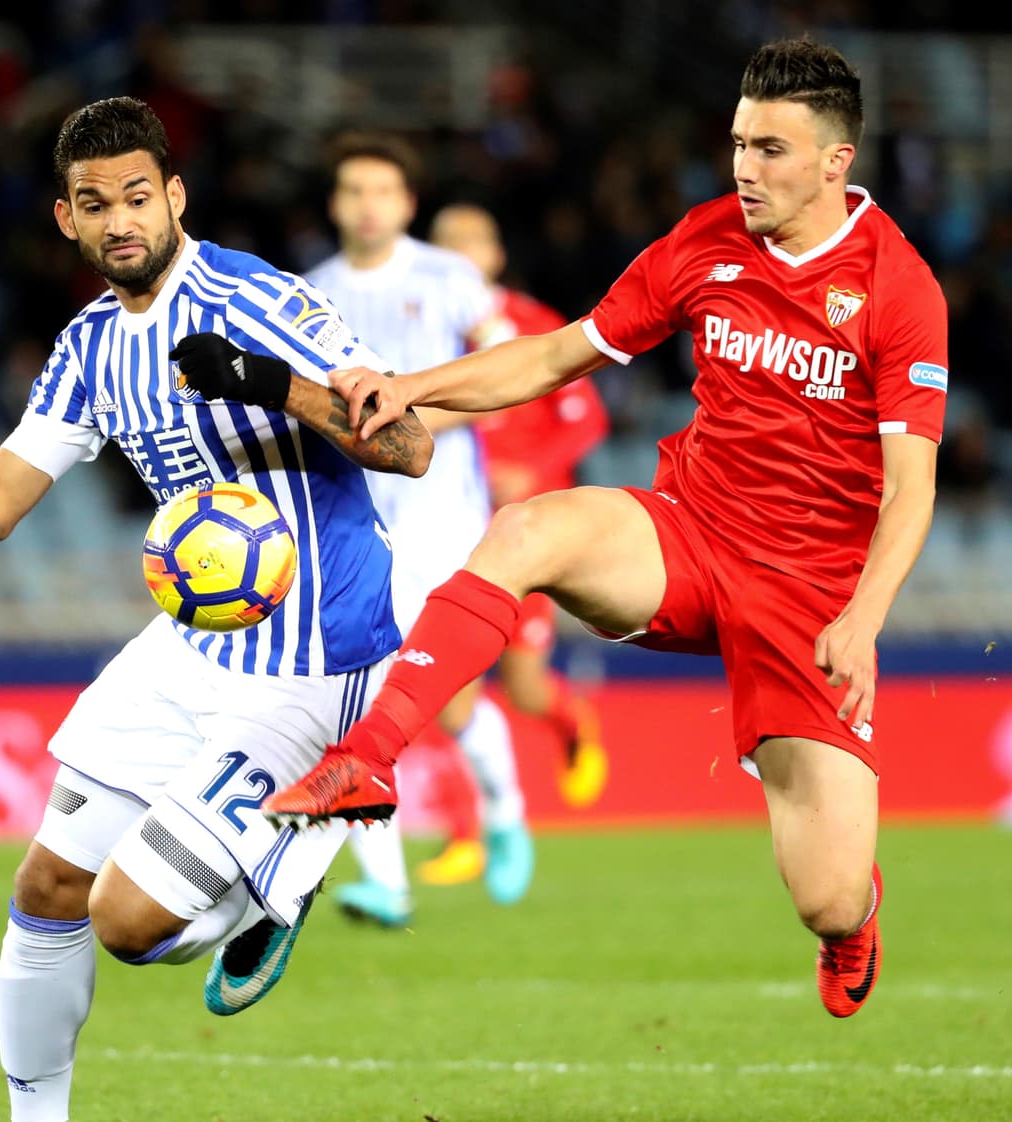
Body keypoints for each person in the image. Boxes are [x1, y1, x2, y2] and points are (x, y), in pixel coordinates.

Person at [0, 96, 433, 1122]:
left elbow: (410, 445)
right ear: (64, 217)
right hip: (194, 638)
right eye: (95, 205)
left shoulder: (259, 298)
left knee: (132, 924)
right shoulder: (93, 345)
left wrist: (269, 383)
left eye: (138, 196)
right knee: (49, 881)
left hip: (311, 650)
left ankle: (289, 863)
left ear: (175, 196)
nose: (121, 220)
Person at [264, 37, 949, 1022]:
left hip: (811, 596)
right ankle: (365, 756)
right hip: (689, 531)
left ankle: (853, 921)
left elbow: (909, 488)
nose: (742, 169)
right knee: (524, 529)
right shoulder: (705, 239)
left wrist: (863, 616)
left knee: (823, 894)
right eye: (737, 144)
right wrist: (407, 385)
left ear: (835, 162)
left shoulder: (896, 288)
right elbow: (555, 356)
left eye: (769, 150)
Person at [304, 131, 534, 920]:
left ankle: (504, 814)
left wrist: (417, 415)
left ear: (405, 203)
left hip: (443, 516)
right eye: (353, 189)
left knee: (451, 693)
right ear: (336, 203)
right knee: (358, 690)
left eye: (382, 190)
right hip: (353, 523)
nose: (368, 204)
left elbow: (507, 369)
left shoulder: (450, 278)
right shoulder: (310, 290)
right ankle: (385, 881)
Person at [418, 201, 612, 889]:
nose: (463, 255)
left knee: (523, 684)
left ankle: (570, 721)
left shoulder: (532, 326)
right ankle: (469, 833)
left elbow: (587, 417)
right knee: (446, 677)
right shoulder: (428, 332)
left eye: (475, 242)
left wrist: (532, 470)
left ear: (496, 256)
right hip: (451, 529)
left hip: (528, 530)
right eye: (448, 245)